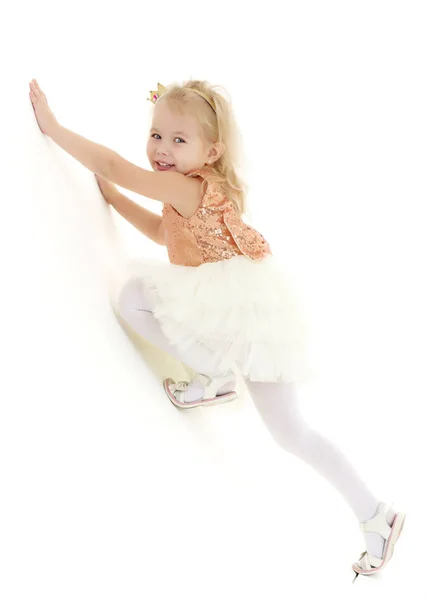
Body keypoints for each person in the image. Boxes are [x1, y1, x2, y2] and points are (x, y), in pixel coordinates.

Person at [37, 76, 405, 581]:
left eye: (178, 140)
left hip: (239, 314)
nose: (162, 149)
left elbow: (113, 165)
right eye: (156, 134)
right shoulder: (193, 191)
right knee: (292, 432)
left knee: (134, 298)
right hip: (253, 313)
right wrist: (112, 200)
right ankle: (375, 515)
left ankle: (213, 377)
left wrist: (54, 129)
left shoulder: (183, 185)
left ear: (211, 152)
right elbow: (159, 231)